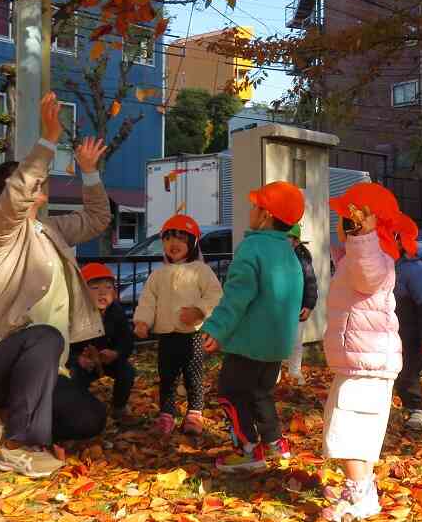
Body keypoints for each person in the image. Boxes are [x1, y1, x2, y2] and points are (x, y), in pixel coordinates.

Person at [0, 93, 110, 479]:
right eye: (32, 181)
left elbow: (98, 218)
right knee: (45, 336)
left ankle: (19, 418)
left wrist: (89, 171)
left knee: (89, 418)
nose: (40, 185)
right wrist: (48, 139)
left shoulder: (49, 229)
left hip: (39, 367)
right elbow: (17, 195)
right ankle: (19, 446)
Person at [201, 181, 305, 472]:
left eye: (255, 206)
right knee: (260, 392)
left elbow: (237, 295)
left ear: (265, 215)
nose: (251, 210)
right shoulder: (289, 252)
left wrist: (217, 328)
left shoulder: (252, 247)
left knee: (230, 393)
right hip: (275, 344)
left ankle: (247, 450)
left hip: (249, 342)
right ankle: (273, 444)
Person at [320, 182, 408, 522]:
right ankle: (359, 486)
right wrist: (353, 244)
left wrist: (363, 238)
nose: (339, 225)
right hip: (362, 361)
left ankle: (362, 496)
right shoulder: (358, 259)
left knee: (347, 430)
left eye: (346, 219)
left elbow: (366, 273)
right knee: (357, 429)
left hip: (366, 363)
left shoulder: (374, 260)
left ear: (363, 224)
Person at [132, 214, 223, 436]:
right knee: (167, 377)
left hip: (193, 335)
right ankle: (166, 415)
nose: (174, 244)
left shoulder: (201, 270)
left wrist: (199, 310)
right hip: (166, 335)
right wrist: (142, 320)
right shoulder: (158, 274)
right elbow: (147, 300)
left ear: (192, 244)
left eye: (181, 239)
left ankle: (194, 413)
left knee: (193, 376)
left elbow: (215, 295)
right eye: (169, 239)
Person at [70, 263, 137, 425]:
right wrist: (78, 358)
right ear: (82, 292)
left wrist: (116, 353)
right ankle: (78, 410)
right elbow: (63, 344)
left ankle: (119, 406)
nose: (102, 292)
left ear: (114, 292)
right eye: (94, 288)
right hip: (84, 362)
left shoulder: (116, 311)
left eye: (108, 287)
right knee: (74, 379)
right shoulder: (74, 313)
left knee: (127, 371)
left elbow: (127, 339)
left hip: (108, 359)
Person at [392, 214, 422, 432]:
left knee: (407, 374)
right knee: (398, 373)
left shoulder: (416, 270)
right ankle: (410, 409)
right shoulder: (393, 266)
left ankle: (418, 411)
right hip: (399, 334)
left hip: (416, 337)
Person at [283, 222, 318, 381]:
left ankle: (295, 370)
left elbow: (311, 283)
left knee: (296, 341)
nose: (284, 241)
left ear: (296, 241)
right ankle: (276, 371)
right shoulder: (277, 256)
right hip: (280, 307)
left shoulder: (302, 259)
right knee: (278, 339)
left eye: (288, 238)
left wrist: (309, 305)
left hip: (298, 308)